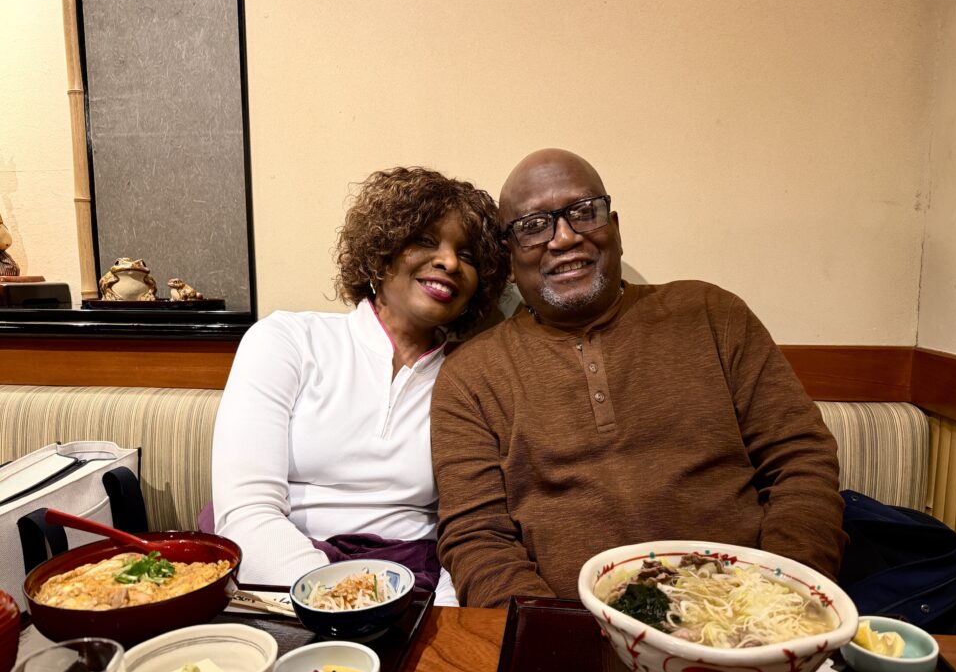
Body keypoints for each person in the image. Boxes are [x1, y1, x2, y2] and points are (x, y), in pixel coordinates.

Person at [431, 148, 847, 608]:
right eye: (534, 226)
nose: (564, 238)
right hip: (572, 635)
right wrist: (550, 640)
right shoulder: (470, 374)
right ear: (509, 259)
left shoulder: (710, 314)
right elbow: (476, 537)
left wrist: (778, 599)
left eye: (583, 213)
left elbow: (801, 462)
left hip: (749, 617)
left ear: (616, 229)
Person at [211, 167, 509, 606]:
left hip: (412, 589)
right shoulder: (287, 340)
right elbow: (244, 512)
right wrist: (338, 602)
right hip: (277, 576)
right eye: (426, 240)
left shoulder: (470, 377)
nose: (448, 262)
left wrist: (441, 622)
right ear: (382, 252)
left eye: (467, 255)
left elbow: (467, 533)